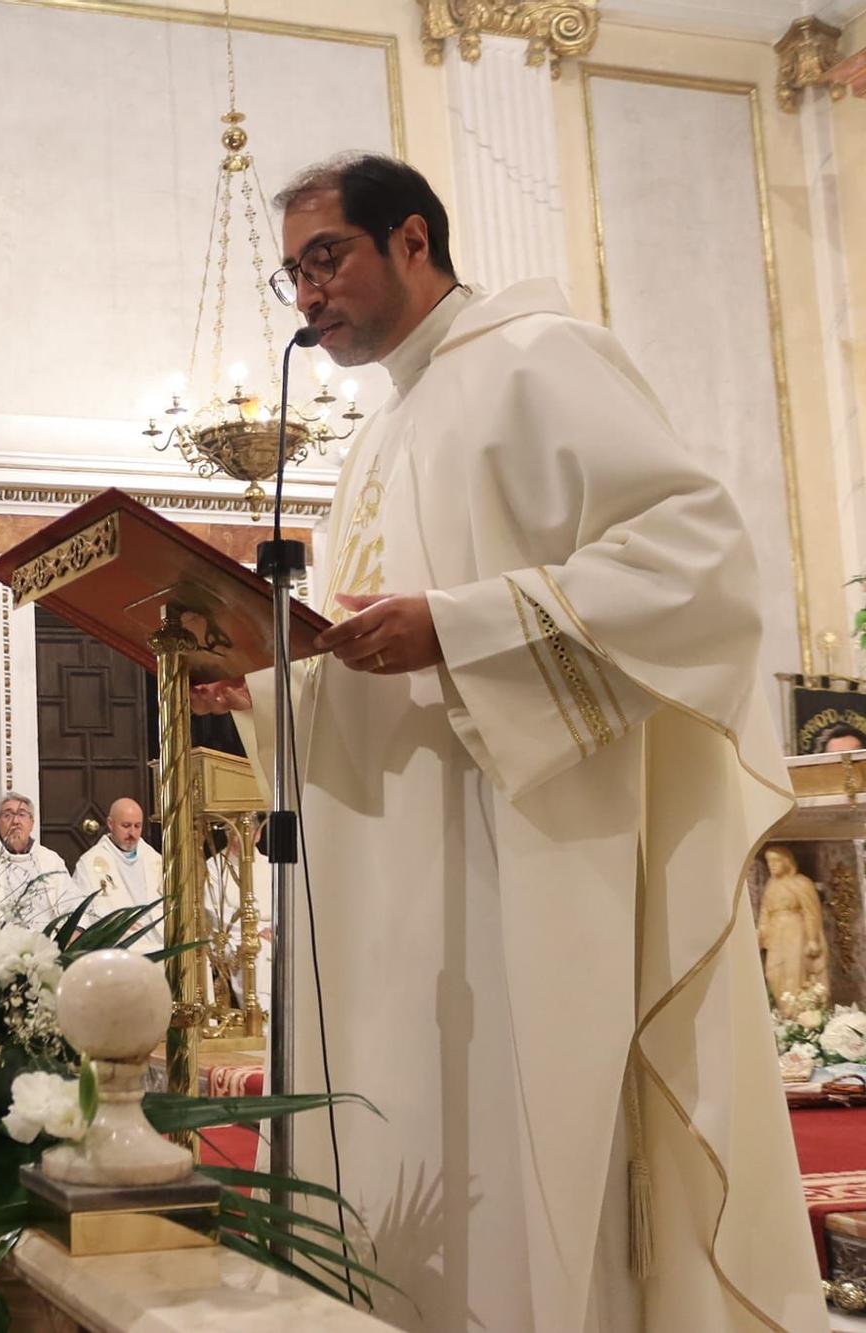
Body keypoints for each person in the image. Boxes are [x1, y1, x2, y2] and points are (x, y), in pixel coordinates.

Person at [191, 152, 820, 1330]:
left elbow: (698, 566)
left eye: (324, 258)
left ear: (413, 240)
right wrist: (267, 684)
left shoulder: (539, 359)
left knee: (523, 1143)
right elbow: (371, 657)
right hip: (396, 894)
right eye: (290, 276)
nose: (306, 296)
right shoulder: (375, 439)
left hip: (521, 855)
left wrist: (462, 625)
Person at [0, 791, 75, 927]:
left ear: (32, 823)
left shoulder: (50, 859)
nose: (15, 821)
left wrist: (74, 933)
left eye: (22, 814)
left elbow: (72, 902)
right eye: (8, 815)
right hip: (2, 942)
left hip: (50, 941)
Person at [69, 797, 163, 952]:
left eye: (137, 826)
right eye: (126, 826)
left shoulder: (155, 860)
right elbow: (80, 912)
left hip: (160, 942)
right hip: (118, 947)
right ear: (110, 824)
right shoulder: (89, 863)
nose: (132, 833)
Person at [756, 845, 827, 1006]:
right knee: (773, 972)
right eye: (769, 861)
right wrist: (761, 935)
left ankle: (799, 1013)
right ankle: (784, 1014)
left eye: (776, 860)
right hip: (775, 934)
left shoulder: (801, 883)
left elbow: (811, 912)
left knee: (795, 971)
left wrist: (812, 939)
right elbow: (765, 913)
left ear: (786, 861)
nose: (772, 865)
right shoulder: (771, 885)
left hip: (795, 931)